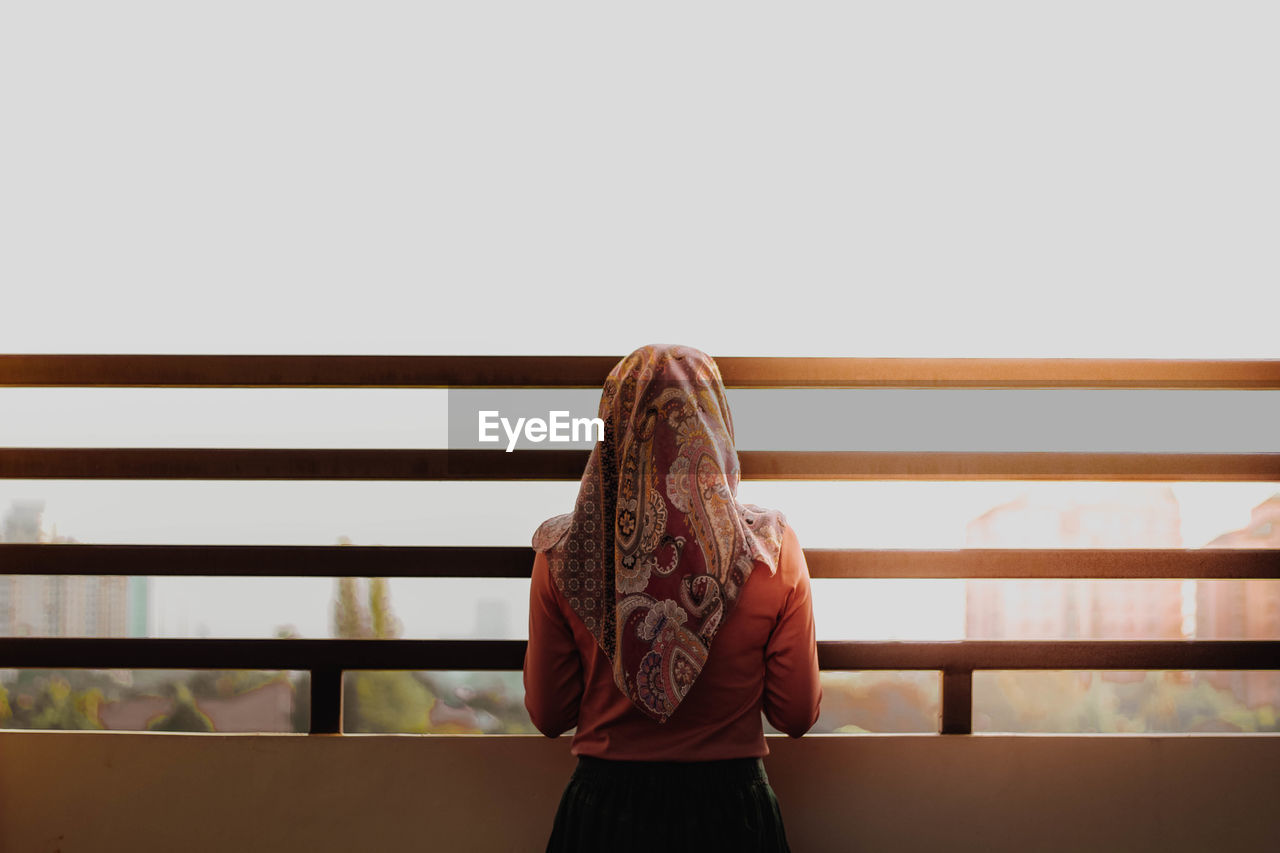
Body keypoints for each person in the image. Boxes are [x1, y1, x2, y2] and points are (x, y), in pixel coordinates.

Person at [523, 343, 822, 852]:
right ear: (716, 424)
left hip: (605, 816)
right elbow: (795, 716)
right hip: (732, 818)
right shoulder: (772, 549)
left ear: (612, 425)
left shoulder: (563, 551)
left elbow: (550, 716)